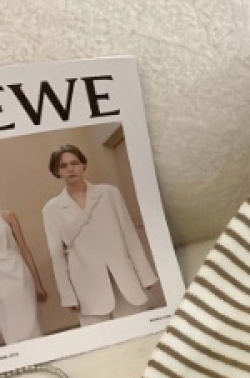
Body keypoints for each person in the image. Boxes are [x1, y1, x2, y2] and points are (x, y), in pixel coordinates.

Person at [42, 144, 157, 326]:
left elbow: (129, 236)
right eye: (63, 166)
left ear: (83, 165)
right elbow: (57, 256)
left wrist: (145, 275)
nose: (70, 169)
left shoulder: (109, 193)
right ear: (57, 171)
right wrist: (68, 295)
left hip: (123, 276)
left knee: (135, 327)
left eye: (75, 163)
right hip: (86, 285)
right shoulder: (51, 209)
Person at [0, 209, 47, 345]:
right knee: (9, 327)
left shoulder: (7, 216)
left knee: (30, 322)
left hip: (18, 273)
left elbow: (24, 249)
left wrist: (38, 284)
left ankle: (40, 354)